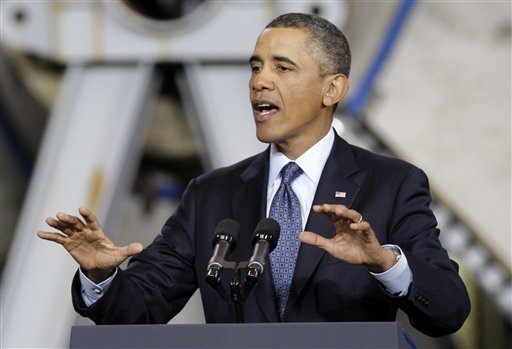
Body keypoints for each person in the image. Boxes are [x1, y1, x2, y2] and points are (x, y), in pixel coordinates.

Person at [38, 12, 470, 337]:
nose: (259, 81)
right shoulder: (212, 193)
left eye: (282, 68)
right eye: (255, 66)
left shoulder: (391, 184)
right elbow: (136, 312)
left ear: (332, 89)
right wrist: (100, 276)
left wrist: (387, 264)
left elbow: (448, 309)